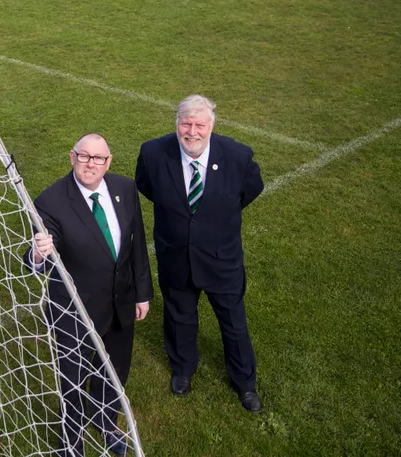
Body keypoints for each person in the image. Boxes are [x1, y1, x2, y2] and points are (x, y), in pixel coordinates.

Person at [134, 95, 265, 413]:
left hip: (222, 259)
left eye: (199, 125)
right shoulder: (153, 153)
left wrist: (211, 220)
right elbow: (147, 186)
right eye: (185, 123)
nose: (192, 131)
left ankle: (245, 383)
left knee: (234, 323)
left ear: (212, 125)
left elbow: (251, 189)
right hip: (175, 256)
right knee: (179, 317)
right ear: (176, 123)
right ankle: (182, 370)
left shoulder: (237, 156)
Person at [26, 133, 154, 456]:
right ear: (72, 157)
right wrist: (40, 253)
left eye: (98, 158)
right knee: (72, 382)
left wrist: (142, 293)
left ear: (108, 162)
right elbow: (34, 257)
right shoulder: (50, 201)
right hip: (75, 313)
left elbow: (136, 246)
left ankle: (104, 420)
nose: (91, 164)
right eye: (84, 156)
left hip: (121, 302)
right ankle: (70, 445)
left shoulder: (125, 189)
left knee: (114, 371)